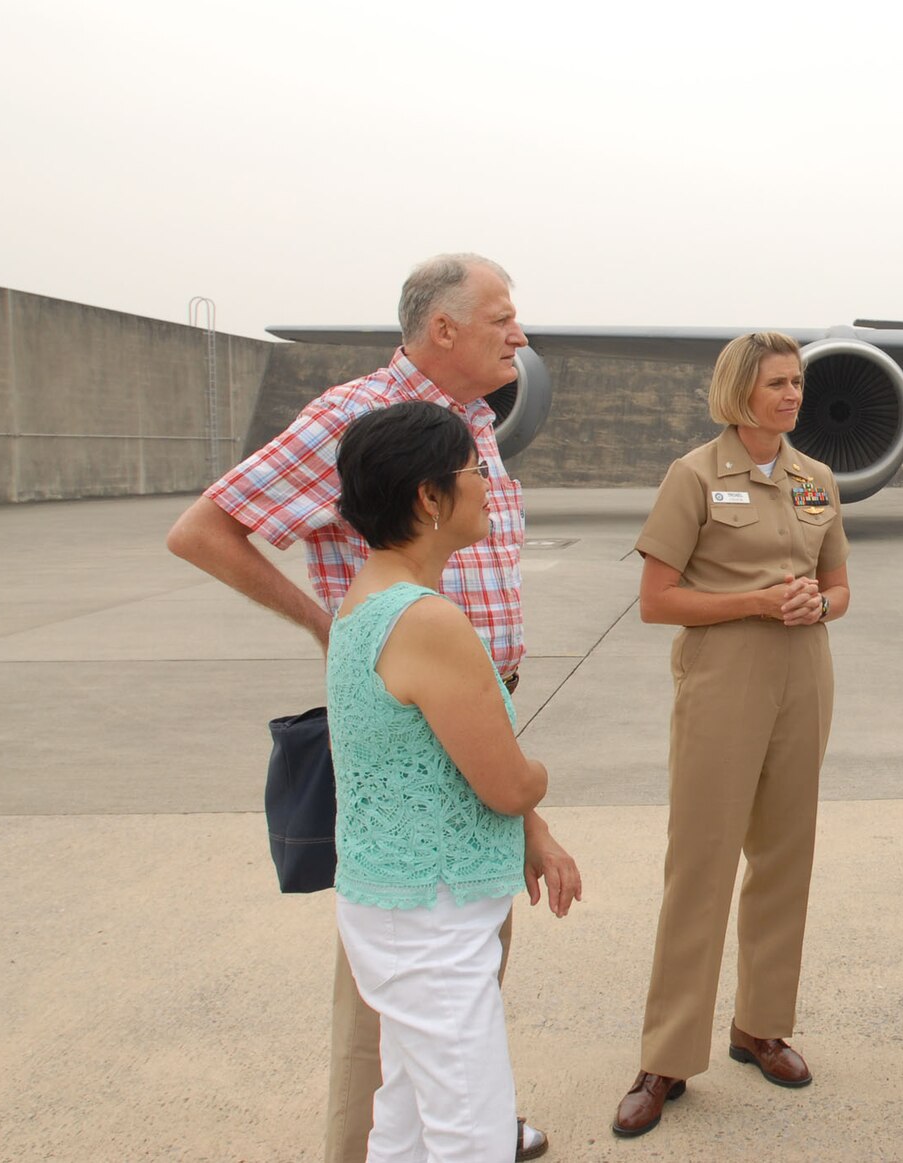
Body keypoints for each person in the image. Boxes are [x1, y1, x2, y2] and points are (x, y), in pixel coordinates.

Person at [166, 253, 576, 1163]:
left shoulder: (471, 423)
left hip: (468, 711)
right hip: (414, 701)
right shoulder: (352, 420)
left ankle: (462, 1111)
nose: (521, 334)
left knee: (463, 961)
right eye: (503, 317)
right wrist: (334, 630)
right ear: (443, 330)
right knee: (389, 993)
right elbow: (203, 528)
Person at [613, 331, 852, 1138]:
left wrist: (821, 603)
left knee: (786, 854)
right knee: (702, 863)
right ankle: (666, 1056)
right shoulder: (695, 476)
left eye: (797, 383)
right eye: (777, 383)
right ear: (739, 392)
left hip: (803, 676)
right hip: (724, 681)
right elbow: (656, 599)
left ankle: (761, 1024)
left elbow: (841, 583)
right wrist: (752, 601)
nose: (792, 395)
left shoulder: (815, 480)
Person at [327, 401, 552, 1161]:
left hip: (395, 904)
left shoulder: (363, 599)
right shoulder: (425, 620)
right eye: (476, 470)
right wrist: (540, 779)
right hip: (433, 918)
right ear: (430, 497)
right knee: (471, 1131)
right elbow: (509, 784)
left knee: (409, 1118)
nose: (490, 485)